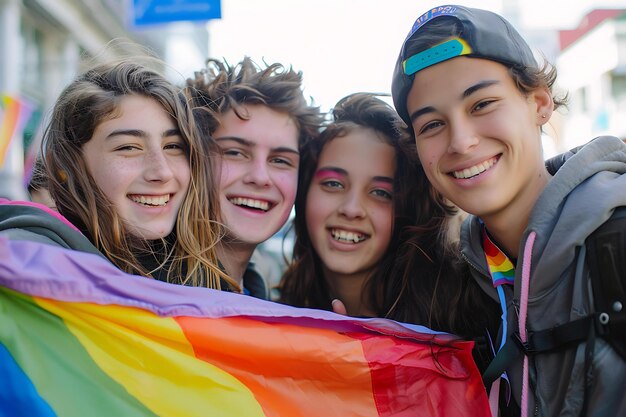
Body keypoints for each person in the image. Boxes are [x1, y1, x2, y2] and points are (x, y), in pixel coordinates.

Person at [391, 5, 626, 416]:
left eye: (482, 104)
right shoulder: (463, 290)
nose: (461, 141)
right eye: (431, 124)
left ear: (539, 103)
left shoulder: (618, 243)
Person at [279, 93, 498, 346]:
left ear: (408, 209)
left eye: (380, 193)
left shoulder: (467, 312)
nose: (351, 209)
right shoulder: (278, 313)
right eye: (333, 184)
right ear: (304, 192)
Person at [0, 59, 233, 290]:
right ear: (66, 166)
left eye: (173, 146)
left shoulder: (209, 281)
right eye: (128, 147)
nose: (161, 172)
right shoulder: (24, 262)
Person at [187, 57, 323, 299]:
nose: (260, 177)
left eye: (280, 160)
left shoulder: (264, 296)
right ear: (194, 158)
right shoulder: (138, 286)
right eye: (235, 153)